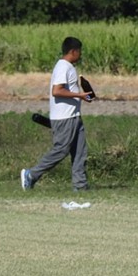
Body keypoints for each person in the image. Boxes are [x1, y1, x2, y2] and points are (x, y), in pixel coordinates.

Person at [21, 37, 92, 191]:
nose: (80, 54)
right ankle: (31, 174)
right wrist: (79, 95)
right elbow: (57, 91)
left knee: (80, 152)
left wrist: (83, 96)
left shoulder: (68, 67)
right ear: (73, 51)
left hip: (74, 116)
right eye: (79, 51)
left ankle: (80, 186)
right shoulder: (63, 67)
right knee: (61, 150)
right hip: (64, 117)